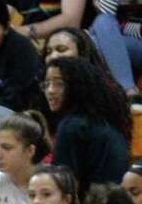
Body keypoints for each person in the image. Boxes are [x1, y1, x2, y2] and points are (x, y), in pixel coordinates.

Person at [46, 57, 133, 193]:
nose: (50, 90)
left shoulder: (72, 126)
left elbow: (64, 186)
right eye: (47, 84)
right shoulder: (105, 121)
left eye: (59, 84)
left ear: (77, 86)